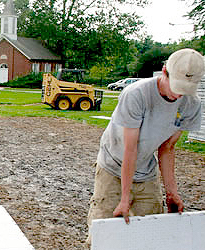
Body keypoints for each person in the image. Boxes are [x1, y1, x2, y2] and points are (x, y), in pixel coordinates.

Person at [87, 48, 204, 232]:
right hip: (113, 165)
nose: (179, 95)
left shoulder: (191, 104)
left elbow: (167, 148)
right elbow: (130, 148)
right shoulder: (137, 94)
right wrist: (125, 199)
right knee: (105, 231)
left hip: (146, 171)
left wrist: (171, 193)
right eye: (176, 86)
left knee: (151, 232)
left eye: (186, 89)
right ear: (165, 71)